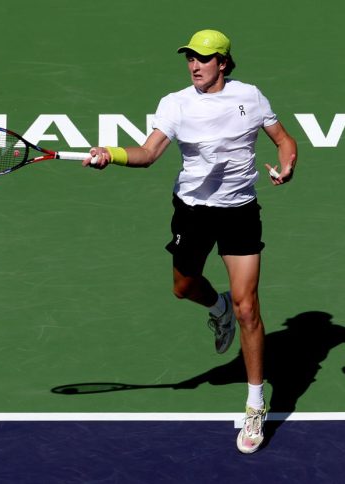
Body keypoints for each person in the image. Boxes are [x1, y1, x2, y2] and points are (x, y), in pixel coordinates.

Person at [85, 29, 297, 454]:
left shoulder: (250, 97)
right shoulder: (175, 103)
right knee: (183, 287)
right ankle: (215, 308)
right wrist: (113, 152)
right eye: (189, 58)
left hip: (240, 211)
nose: (194, 65)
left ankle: (256, 405)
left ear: (223, 62)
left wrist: (287, 165)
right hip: (193, 211)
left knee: (248, 307)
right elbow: (148, 154)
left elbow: (284, 140)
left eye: (203, 58)